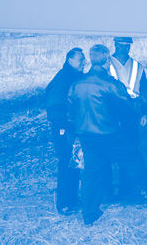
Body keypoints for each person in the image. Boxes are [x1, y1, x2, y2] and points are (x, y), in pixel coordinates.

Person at [68, 44, 147, 225]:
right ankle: (143, 196)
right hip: (108, 133)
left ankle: (89, 215)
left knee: (91, 173)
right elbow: (132, 107)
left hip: (86, 135)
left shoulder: (76, 84)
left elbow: (70, 112)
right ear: (107, 61)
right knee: (134, 159)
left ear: (91, 60)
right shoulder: (111, 84)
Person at [108, 37, 147, 200]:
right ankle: (112, 190)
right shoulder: (106, 64)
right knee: (114, 150)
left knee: (131, 149)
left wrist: (144, 113)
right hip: (112, 113)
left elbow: (144, 90)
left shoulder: (137, 66)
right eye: (120, 45)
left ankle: (127, 189)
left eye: (126, 46)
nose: (123, 48)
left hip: (132, 112)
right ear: (115, 45)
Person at [45, 47, 85, 216]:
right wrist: (65, 125)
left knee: (75, 163)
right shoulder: (63, 78)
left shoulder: (77, 76)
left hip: (74, 129)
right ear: (70, 60)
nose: (84, 62)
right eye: (80, 59)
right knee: (65, 164)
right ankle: (63, 204)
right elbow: (54, 105)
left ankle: (73, 199)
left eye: (84, 59)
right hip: (64, 129)